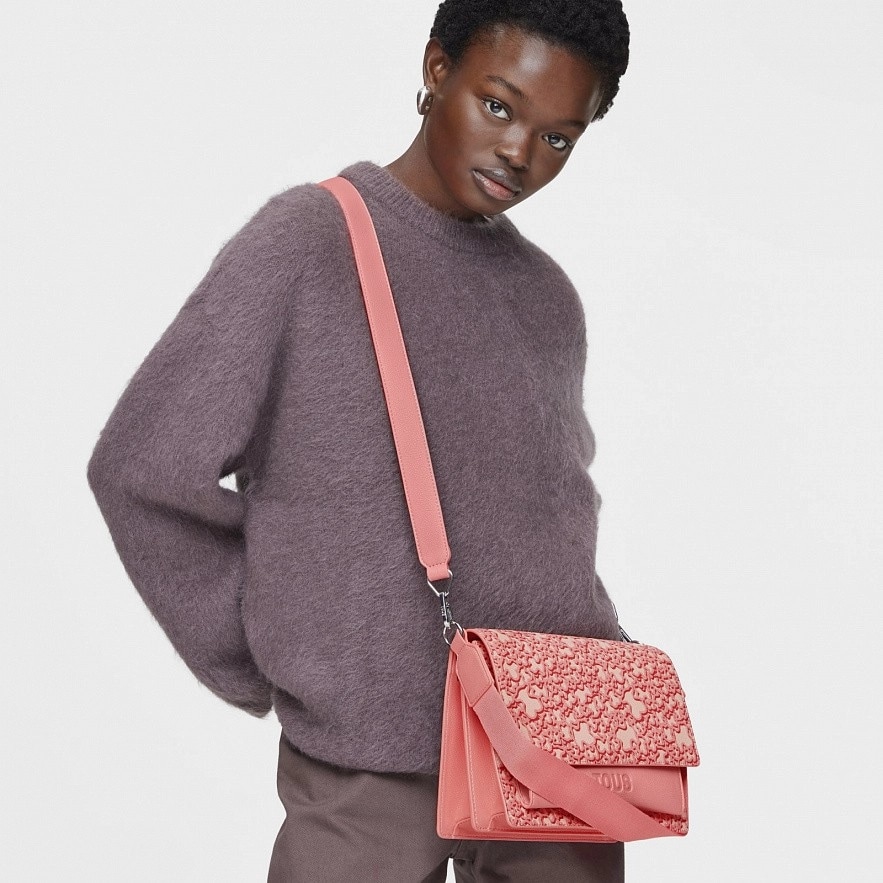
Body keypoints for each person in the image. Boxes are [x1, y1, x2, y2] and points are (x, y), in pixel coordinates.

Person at [86, 0, 632, 879]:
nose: (517, 152)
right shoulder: (307, 242)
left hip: (558, 727)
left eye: (557, 137)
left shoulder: (546, 295)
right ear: (436, 69)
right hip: (370, 749)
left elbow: (555, 510)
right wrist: (279, 655)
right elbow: (142, 466)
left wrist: (599, 668)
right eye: (497, 104)